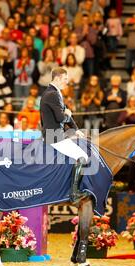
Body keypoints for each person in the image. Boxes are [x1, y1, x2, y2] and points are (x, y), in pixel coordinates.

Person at [39, 67, 86, 202]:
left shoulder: (54, 92)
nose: (67, 82)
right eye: (65, 79)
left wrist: (76, 129)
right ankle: (74, 193)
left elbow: (64, 113)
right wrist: (68, 114)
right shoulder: (52, 94)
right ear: (58, 78)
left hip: (56, 134)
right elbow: (61, 117)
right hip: (54, 137)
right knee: (82, 156)